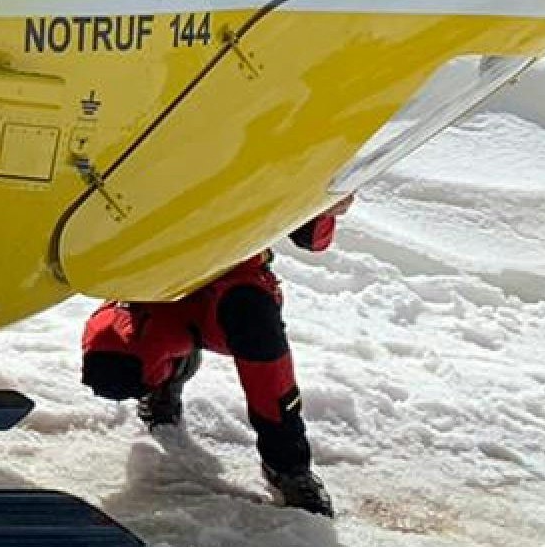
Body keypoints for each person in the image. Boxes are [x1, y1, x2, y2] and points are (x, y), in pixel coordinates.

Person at [80, 202, 348, 515]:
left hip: (232, 286)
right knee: (111, 365)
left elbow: (313, 238)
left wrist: (327, 206)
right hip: (155, 287)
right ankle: (170, 373)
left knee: (257, 330)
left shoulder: (260, 155)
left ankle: (287, 467)